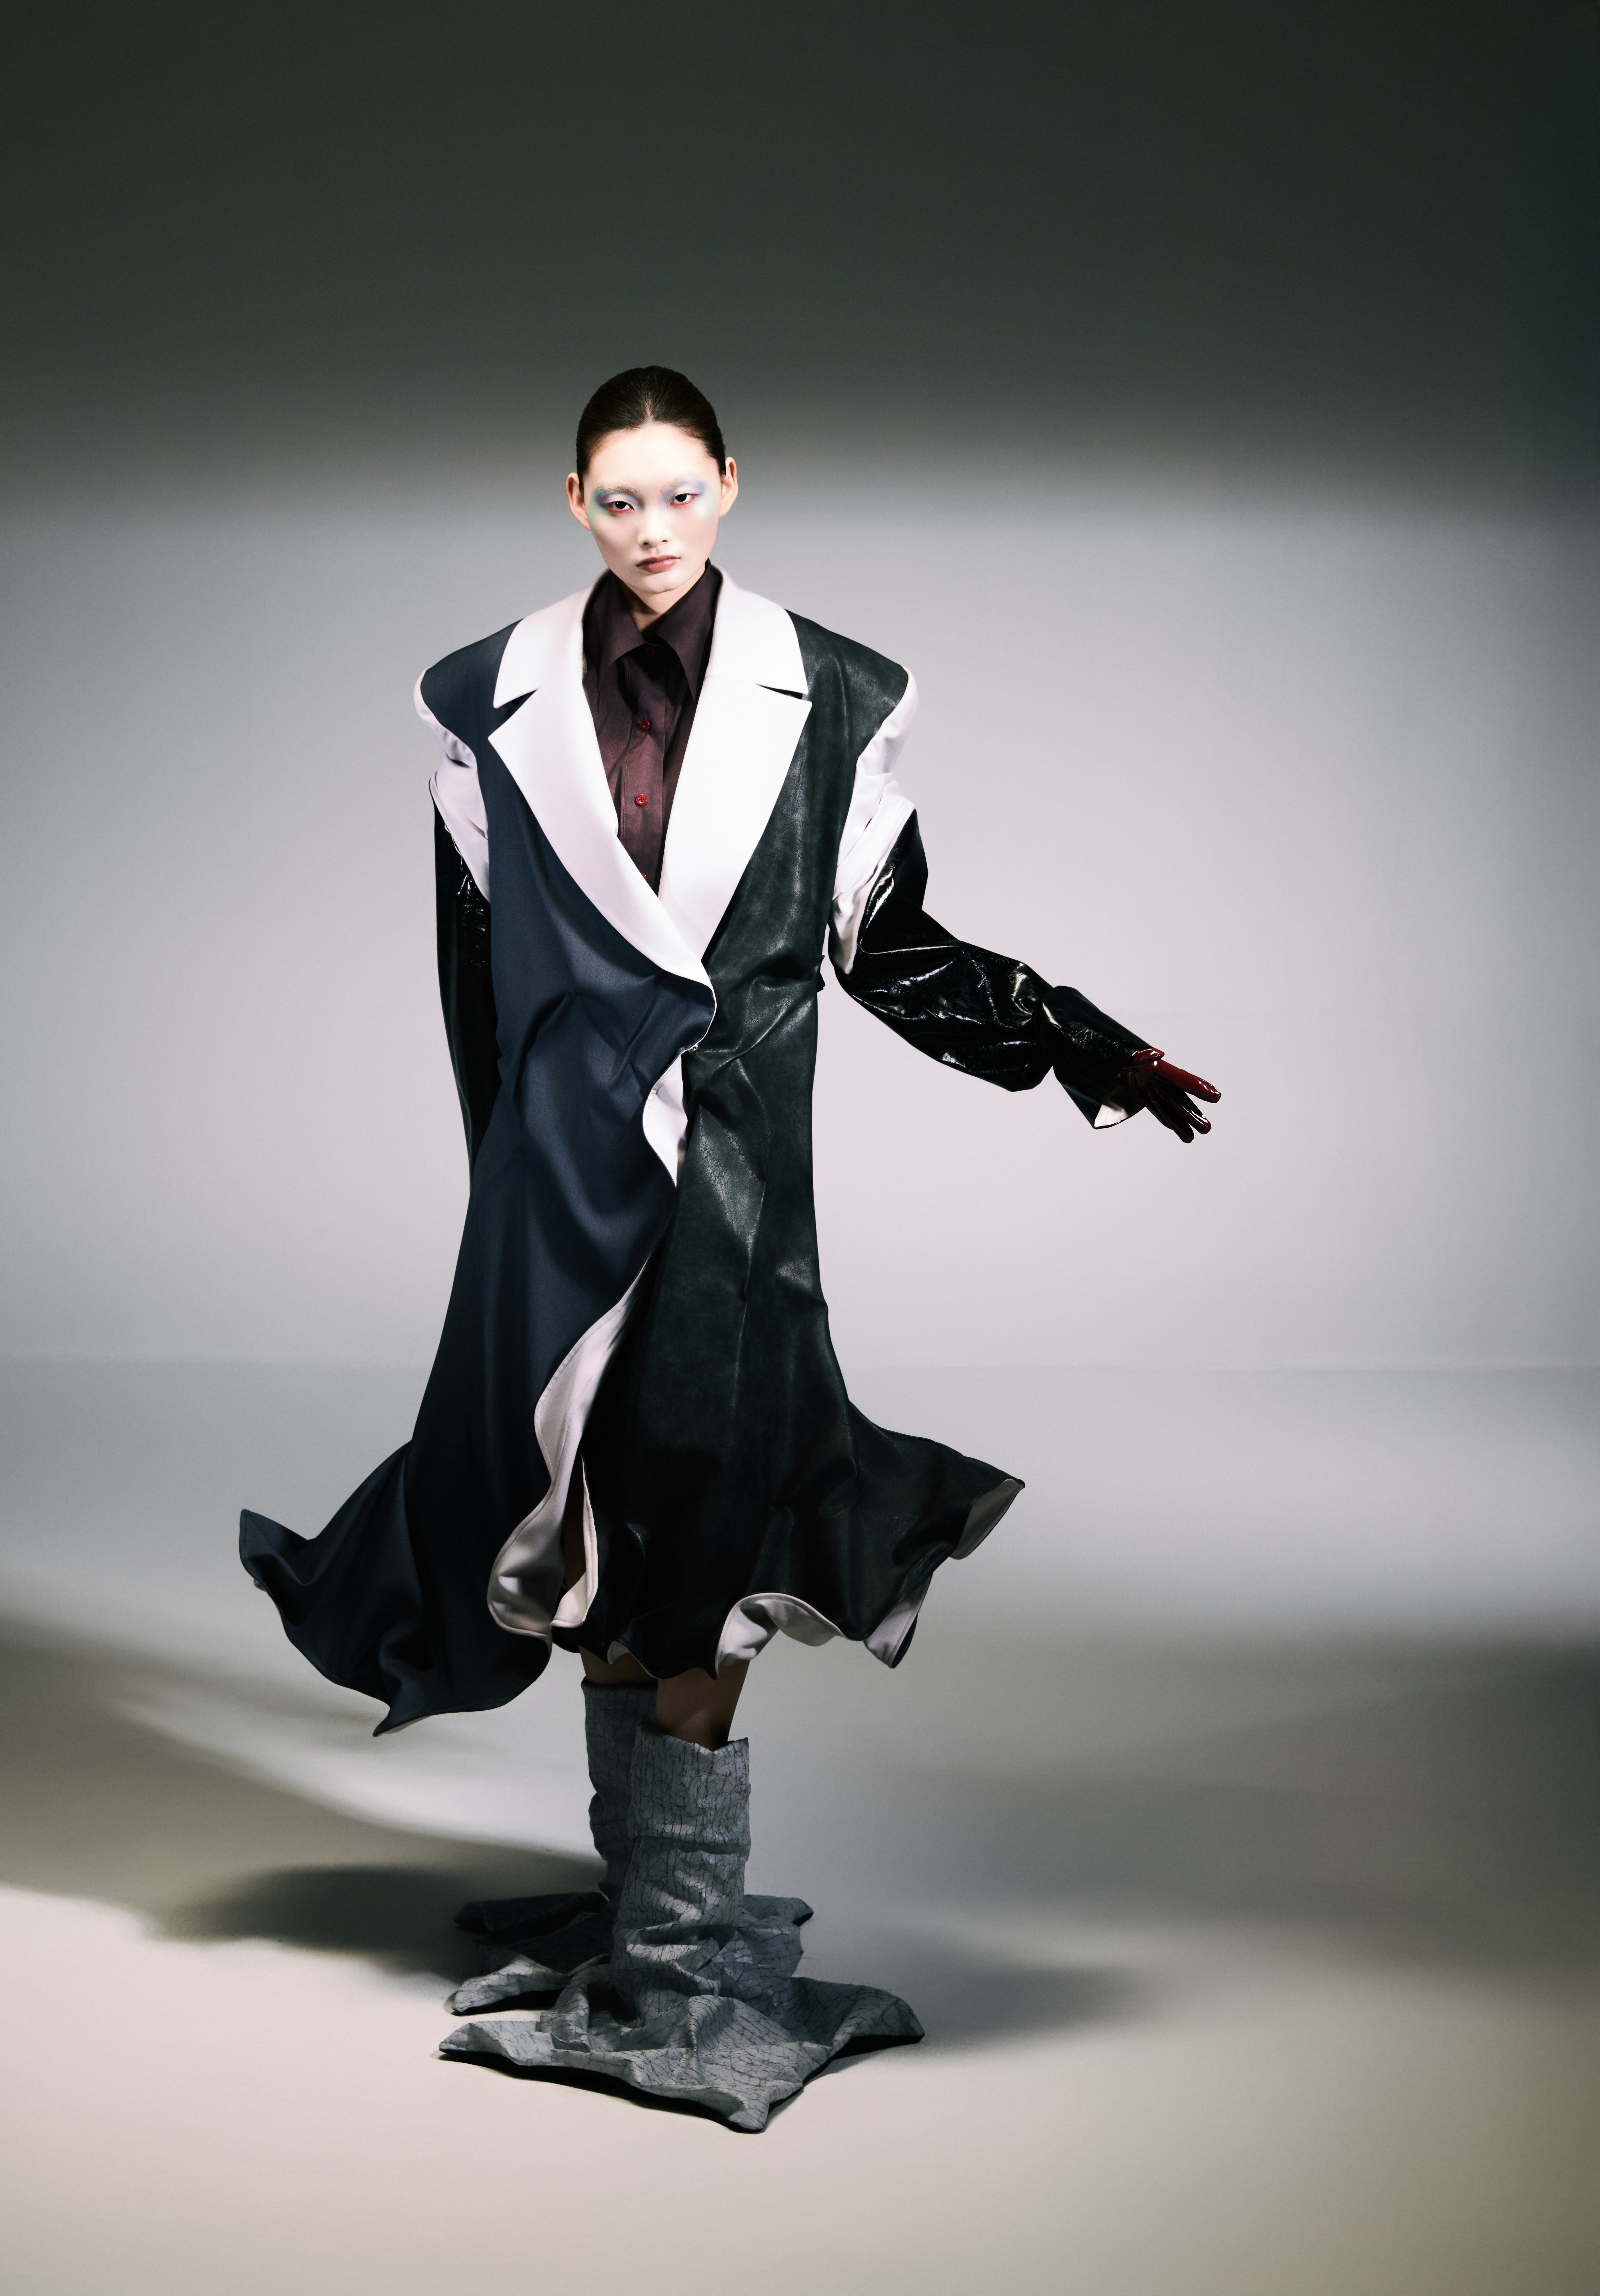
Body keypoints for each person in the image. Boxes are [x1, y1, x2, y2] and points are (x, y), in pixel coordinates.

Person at [241, 366, 1219, 2132]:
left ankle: (682, 1961)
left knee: (716, 1512)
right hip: (551, 1186)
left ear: (732, 484)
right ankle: (650, 1907)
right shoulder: (484, 695)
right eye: (620, 500)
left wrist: (1080, 1042)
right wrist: (497, 1180)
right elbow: (476, 974)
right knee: (581, 1511)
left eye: (682, 494)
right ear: (575, 502)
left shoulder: (833, 692)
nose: (654, 531)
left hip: (735, 1186)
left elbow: (889, 947)